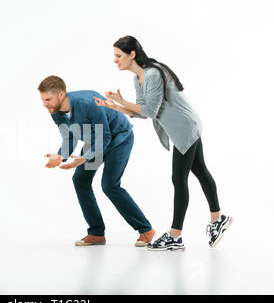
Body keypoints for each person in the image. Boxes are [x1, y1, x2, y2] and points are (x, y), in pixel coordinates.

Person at [94, 35, 233, 251]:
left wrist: (122, 102)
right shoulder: (137, 78)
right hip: (185, 126)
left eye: (118, 55)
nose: (115, 60)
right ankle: (218, 219)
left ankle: (175, 236)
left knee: (179, 179)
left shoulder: (151, 74)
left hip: (184, 127)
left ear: (132, 54)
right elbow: (144, 112)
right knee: (200, 170)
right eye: (114, 56)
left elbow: (150, 110)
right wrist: (115, 107)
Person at [39, 75, 155, 247]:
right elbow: (69, 136)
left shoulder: (88, 103)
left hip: (119, 139)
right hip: (96, 140)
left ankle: (145, 229)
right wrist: (60, 156)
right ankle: (96, 233)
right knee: (80, 180)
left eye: (48, 99)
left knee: (110, 185)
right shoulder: (54, 111)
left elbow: (106, 137)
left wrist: (85, 158)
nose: (45, 104)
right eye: (42, 100)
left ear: (61, 94)